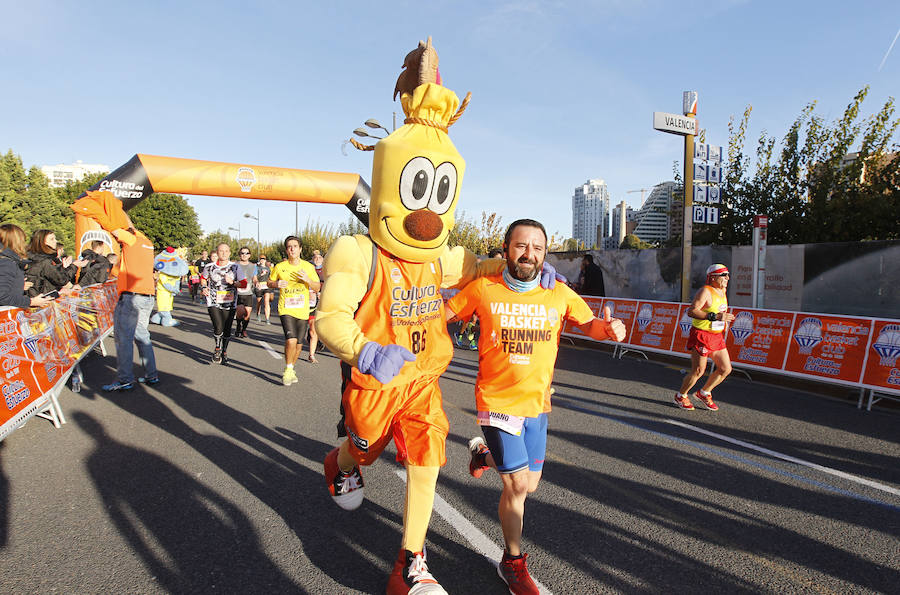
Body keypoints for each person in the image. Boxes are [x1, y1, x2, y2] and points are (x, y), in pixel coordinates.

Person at [445, 219, 625, 593]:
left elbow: (589, 324)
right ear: (506, 250)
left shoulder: (559, 293)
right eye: (521, 246)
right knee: (517, 486)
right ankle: (512, 562)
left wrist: (609, 330)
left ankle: (483, 455)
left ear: (546, 253)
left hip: (538, 403)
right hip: (496, 400)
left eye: (537, 248)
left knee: (531, 484)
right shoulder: (483, 289)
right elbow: (441, 317)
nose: (529, 254)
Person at [102, 225, 158, 391]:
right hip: (146, 296)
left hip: (132, 297)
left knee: (123, 339)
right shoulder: (147, 243)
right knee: (142, 335)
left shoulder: (131, 241)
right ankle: (151, 374)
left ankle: (125, 379)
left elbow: (114, 229)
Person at [674, 263, 735, 411]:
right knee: (698, 371)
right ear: (713, 277)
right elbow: (692, 311)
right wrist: (714, 316)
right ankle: (681, 395)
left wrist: (723, 321)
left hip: (716, 336)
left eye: (728, 275)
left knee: (725, 369)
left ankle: (704, 392)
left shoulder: (723, 290)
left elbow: (720, 312)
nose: (727, 278)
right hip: (701, 335)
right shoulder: (705, 292)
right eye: (723, 275)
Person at [267, 236, 320, 385]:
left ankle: (290, 368)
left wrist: (308, 280)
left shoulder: (308, 267)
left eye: (295, 246)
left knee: (299, 344)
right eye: (289, 246)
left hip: (302, 310)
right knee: (291, 340)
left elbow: (317, 287)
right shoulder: (279, 267)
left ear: (300, 249)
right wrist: (276, 284)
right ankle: (289, 370)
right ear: (286, 250)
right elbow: (269, 282)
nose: (292, 249)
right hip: (286, 308)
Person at [200, 243, 247, 364]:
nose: (224, 253)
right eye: (221, 251)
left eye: (226, 251)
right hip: (213, 301)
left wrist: (233, 282)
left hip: (230, 302)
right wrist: (204, 287)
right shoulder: (209, 267)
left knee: (227, 329)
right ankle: (217, 348)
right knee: (218, 326)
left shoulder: (236, 267)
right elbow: (203, 278)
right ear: (217, 252)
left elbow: (244, 284)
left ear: (230, 253)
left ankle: (224, 350)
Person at [0, 224, 54, 309]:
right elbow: (2, 296)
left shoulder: (9, 261)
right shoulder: (7, 263)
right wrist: (31, 302)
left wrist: (18, 285)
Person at [25, 229, 85, 297]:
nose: (55, 241)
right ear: (43, 242)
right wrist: (74, 266)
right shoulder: (45, 261)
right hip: (43, 300)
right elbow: (61, 279)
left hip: (32, 297)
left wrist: (63, 268)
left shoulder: (29, 258)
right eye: (52, 239)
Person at [233, 246, 258, 338]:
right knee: (240, 312)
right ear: (239, 255)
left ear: (249, 255)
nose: (244, 255)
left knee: (247, 314)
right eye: (242, 253)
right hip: (238, 293)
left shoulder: (253, 266)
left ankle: (244, 329)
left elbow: (254, 278)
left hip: (248, 293)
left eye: (246, 253)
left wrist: (256, 283)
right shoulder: (235, 265)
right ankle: (238, 326)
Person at [306, 250, 325, 362]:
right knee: (309, 329)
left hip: (320, 301)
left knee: (315, 329)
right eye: (314, 257)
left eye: (319, 257)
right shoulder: (308, 269)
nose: (317, 259)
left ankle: (311, 355)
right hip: (305, 303)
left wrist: (321, 291)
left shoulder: (326, 269)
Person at [254, 254, 273, 323]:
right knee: (259, 302)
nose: (262, 260)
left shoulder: (268, 268)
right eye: (261, 259)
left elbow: (271, 278)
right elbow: (255, 277)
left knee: (266, 301)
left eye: (263, 259)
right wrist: (261, 274)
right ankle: (258, 314)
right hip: (259, 286)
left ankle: (267, 318)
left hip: (266, 286)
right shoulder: (257, 268)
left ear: (265, 260)